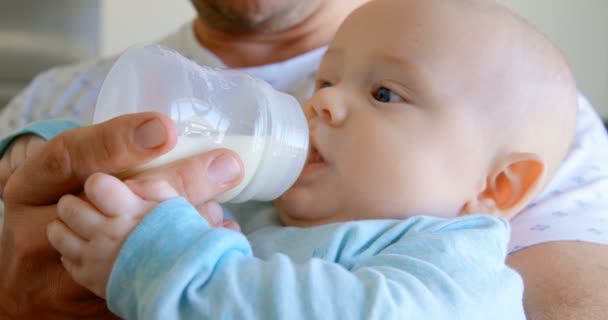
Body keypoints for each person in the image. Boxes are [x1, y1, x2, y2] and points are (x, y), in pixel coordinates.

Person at [0, 0, 607, 318]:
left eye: (385, 94)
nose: (322, 105)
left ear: (497, 186)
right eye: (323, 82)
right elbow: (137, 153)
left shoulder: (453, 270)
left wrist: (162, 260)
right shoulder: (271, 203)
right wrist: (49, 150)